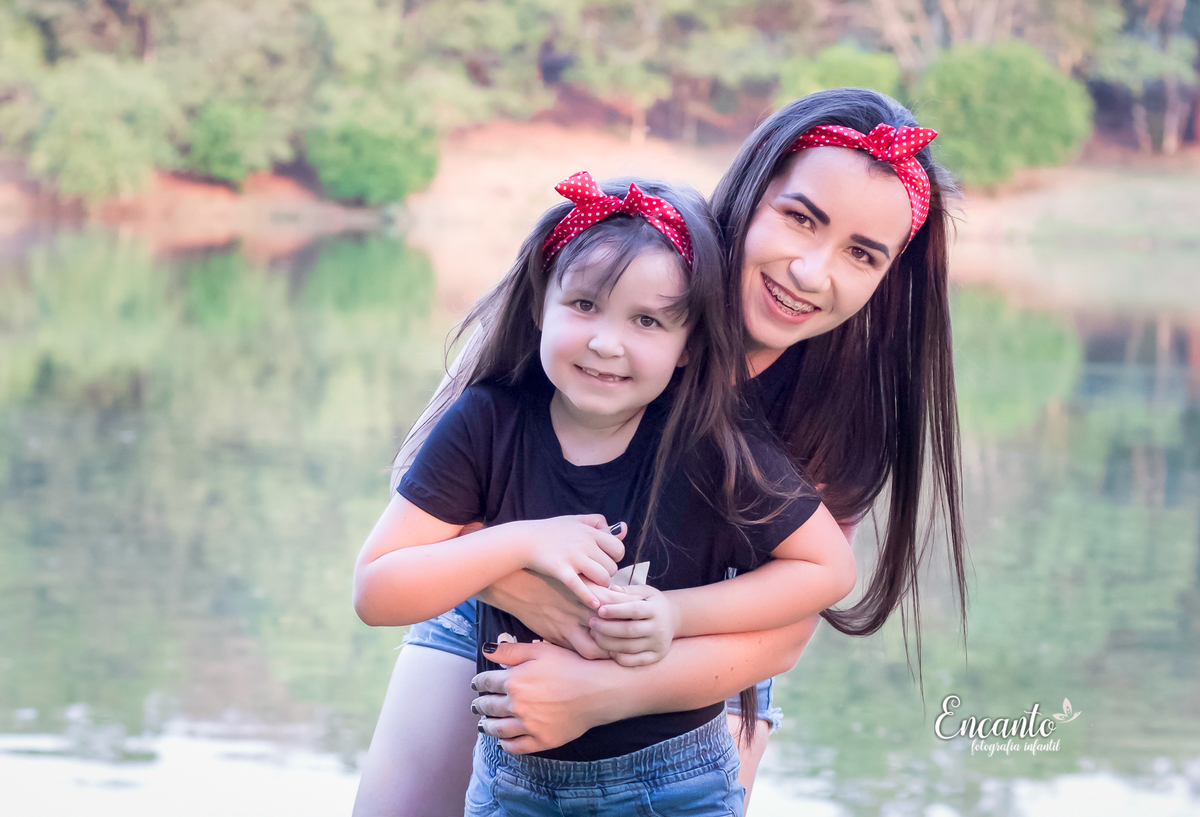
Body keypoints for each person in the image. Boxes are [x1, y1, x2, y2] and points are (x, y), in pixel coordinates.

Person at [352, 87, 967, 817]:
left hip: (703, 641)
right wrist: (528, 586)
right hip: (486, 594)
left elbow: (786, 627)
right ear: (752, 191)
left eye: (861, 254)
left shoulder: (844, 409)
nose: (810, 270)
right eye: (800, 217)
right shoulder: (621, 265)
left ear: (887, 277)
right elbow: (421, 506)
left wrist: (605, 689)